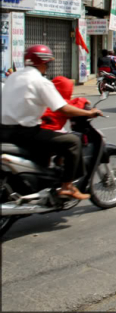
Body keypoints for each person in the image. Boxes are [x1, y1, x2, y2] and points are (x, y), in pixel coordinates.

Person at [1, 45, 103, 200]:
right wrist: (89, 113)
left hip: (4, 132)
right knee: (73, 141)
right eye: (48, 63)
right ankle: (67, 186)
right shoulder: (41, 82)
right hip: (26, 133)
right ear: (42, 63)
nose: (47, 67)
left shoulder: (12, 77)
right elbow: (63, 109)